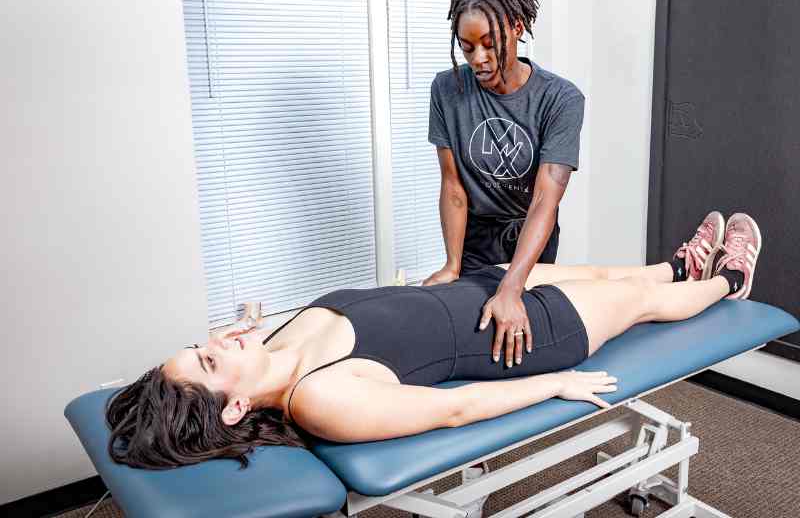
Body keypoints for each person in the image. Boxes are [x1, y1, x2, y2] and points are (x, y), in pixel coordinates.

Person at [106, 212, 760, 470]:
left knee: (600, 269)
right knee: (642, 305)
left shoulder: (279, 341)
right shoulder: (318, 398)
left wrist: (243, 335)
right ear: (233, 408)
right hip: (530, 337)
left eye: (203, 343)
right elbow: (455, 407)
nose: (219, 342)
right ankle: (729, 279)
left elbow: (384, 315)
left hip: (480, 288)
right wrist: (555, 383)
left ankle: (678, 263)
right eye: (210, 361)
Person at [423, 0, 585, 367]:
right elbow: (453, 188)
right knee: (469, 330)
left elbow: (544, 203)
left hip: (531, 236)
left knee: (521, 337)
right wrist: (452, 264)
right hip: (475, 238)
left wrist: (514, 284)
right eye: (467, 46)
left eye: (489, 43)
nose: (478, 58)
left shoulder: (561, 99)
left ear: (516, 26)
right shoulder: (447, 89)